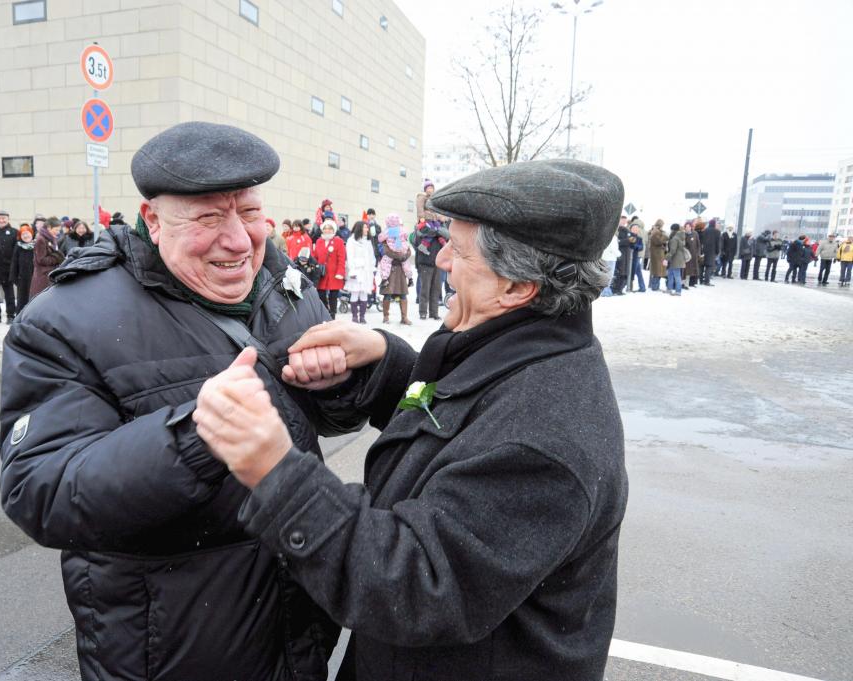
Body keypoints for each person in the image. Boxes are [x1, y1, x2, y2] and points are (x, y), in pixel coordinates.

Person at [193, 158, 628, 681]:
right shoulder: (520, 349)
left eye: (459, 250)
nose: (441, 258)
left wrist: (275, 473)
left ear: (516, 288)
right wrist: (384, 359)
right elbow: (466, 421)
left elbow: (416, 585)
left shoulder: (545, 437)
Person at [0, 121, 369, 681]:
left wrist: (340, 382)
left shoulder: (280, 283)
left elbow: (328, 420)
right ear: (152, 220)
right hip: (173, 646)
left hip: (295, 623)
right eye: (208, 217)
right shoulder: (65, 320)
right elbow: (40, 492)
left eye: (248, 212)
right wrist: (197, 436)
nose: (240, 241)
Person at [377, 213, 413, 324]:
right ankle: (386, 316)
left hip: (401, 270)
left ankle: (404, 317)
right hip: (390, 269)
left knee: (403, 294)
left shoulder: (402, 234)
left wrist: (405, 255)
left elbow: (408, 250)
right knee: (387, 294)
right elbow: (387, 251)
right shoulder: (385, 236)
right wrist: (400, 256)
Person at [412, 217, 449, 319]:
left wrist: (436, 231)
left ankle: (434, 313)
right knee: (425, 289)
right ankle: (423, 312)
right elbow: (422, 234)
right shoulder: (422, 225)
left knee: (436, 289)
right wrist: (436, 232)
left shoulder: (439, 225)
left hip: (437, 263)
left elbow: (447, 234)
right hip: (425, 262)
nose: (434, 215)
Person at [313, 219, 346, 318]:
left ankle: (332, 314)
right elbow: (315, 257)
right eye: (325, 228)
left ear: (333, 230)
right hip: (322, 273)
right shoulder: (319, 241)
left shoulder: (338, 241)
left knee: (333, 295)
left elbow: (342, 258)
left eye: (330, 228)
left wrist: (340, 271)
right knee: (321, 294)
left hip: (334, 273)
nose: (327, 230)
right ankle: (326, 311)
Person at [344, 221, 375, 324]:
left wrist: (372, 268)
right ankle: (354, 316)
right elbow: (350, 256)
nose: (367, 230)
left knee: (364, 293)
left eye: (367, 228)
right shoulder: (351, 241)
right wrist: (352, 270)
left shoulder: (368, 241)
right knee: (355, 293)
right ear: (359, 228)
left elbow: (372, 256)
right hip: (356, 271)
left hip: (366, 272)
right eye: (365, 227)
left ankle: (362, 316)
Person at [30, 217, 63, 300]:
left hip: (50, 275)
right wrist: (57, 258)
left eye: (59, 230)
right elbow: (41, 260)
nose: (58, 232)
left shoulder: (51, 239)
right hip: (43, 277)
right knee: (42, 300)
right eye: (56, 230)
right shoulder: (41, 240)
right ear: (49, 228)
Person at [9, 224, 35, 314]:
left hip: (35, 278)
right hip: (22, 279)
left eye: (27, 233)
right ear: (20, 236)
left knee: (34, 298)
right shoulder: (18, 246)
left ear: (32, 234)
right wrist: (14, 278)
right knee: (22, 299)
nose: (26, 236)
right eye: (23, 234)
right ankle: (20, 317)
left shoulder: (37, 246)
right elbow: (14, 263)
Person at [665, 223, 687, 296]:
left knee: (677, 275)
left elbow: (672, 250)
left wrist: (666, 258)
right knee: (670, 274)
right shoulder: (681, 237)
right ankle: (669, 289)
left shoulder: (675, 238)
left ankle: (678, 291)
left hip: (675, 259)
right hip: (678, 259)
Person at [610, 216, 630, 295]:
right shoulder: (616, 229)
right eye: (622, 221)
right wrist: (627, 240)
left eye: (625, 221)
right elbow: (617, 242)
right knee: (618, 272)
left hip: (625, 254)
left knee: (623, 272)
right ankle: (615, 289)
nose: (624, 222)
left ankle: (619, 289)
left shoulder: (626, 230)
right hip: (618, 254)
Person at [647, 220, 667, 291]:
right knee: (657, 271)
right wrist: (665, 237)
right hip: (657, 254)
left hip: (657, 253)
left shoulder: (655, 231)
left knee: (657, 270)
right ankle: (654, 287)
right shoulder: (656, 232)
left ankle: (654, 286)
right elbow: (658, 242)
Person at [699, 218, 720, 286]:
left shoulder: (704, 231)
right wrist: (717, 251)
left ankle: (701, 280)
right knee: (709, 266)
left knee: (702, 265)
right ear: (714, 224)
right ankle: (707, 281)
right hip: (711, 251)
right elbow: (717, 243)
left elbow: (701, 241)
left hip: (703, 250)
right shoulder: (717, 232)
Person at [628, 223, 646, 292]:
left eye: (637, 229)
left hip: (635, 257)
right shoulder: (628, 236)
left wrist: (636, 246)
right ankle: (640, 287)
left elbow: (641, 247)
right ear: (631, 229)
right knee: (632, 271)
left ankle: (634, 287)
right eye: (634, 228)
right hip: (628, 257)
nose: (635, 230)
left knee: (634, 271)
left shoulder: (639, 238)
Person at [684, 222, 702, 288]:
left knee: (694, 269)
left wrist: (698, 253)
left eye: (688, 227)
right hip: (687, 255)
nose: (687, 228)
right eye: (686, 227)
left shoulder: (695, 234)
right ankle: (686, 284)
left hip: (694, 254)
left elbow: (698, 244)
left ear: (691, 227)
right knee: (687, 270)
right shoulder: (684, 234)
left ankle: (692, 283)